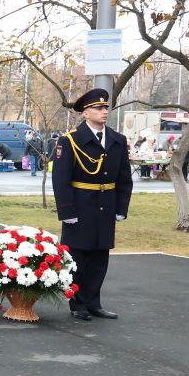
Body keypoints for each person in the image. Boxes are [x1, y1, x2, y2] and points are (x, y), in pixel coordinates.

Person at [52, 88, 133, 320]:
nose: (104, 111)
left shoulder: (117, 140)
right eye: (98, 108)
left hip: (105, 206)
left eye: (106, 107)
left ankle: (94, 302)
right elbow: (61, 180)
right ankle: (77, 304)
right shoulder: (70, 141)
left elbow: (124, 179)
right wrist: (66, 211)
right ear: (85, 113)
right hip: (80, 206)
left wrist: (121, 208)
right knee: (78, 258)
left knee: (100, 258)